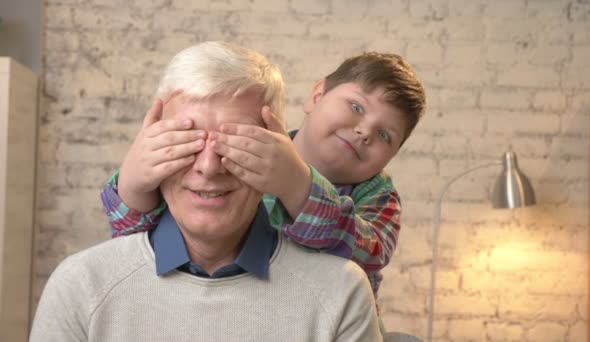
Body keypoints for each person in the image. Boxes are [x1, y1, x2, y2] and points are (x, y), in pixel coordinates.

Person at [29, 41, 382, 342]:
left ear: (274, 149)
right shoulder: (80, 286)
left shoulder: (341, 294)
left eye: (237, 143)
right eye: (186, 141)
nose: (209, 167)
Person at [101, 48, 427, 313]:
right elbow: (136, 236)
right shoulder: (239, 152)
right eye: (356, 106)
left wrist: (297, 186)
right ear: (317, 95)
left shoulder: (379, 196)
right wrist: (133, 184)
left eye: (384, 134)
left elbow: (368, 255)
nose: (364, 131)